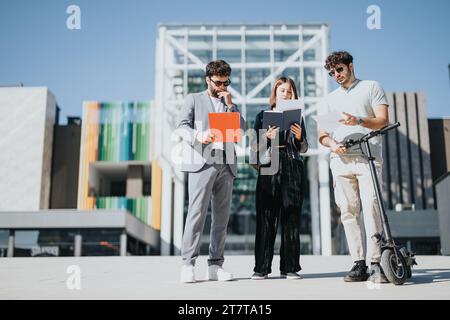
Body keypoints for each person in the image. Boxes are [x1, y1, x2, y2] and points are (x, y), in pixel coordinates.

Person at [318, 51, 390, 283]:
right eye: (332, 73)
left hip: (367, 157)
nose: (336, 75)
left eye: (339, 69)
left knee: (370, 206)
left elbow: (382, 120)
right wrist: (332, 144)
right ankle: (359, 262)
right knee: (348, 211)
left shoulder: (371, 87)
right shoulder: (329, 99)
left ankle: (376, 261)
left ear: (351, 66)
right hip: (340, 160)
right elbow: (322, 135)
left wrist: (358, 120)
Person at [177, 59, 245, 283]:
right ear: (208, 79)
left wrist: (231, 105)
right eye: (218, 83)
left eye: (226, 82)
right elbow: (182, 126)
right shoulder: (194, 99)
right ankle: (188, 264)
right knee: (196, 214)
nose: (222, 87)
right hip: (201, 162)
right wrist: (199, 136)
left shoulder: (229, 102)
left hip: (226, 162)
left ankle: (215, 265)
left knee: (221, 218)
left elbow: (241, 129)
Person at [251, 76, 308, 280]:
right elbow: (253, 149)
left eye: (289, 91)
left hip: (292, 165)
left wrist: (300, 136)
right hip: (269, 164)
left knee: (291, 216)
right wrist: (265, 138)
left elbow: (304, 148)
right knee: (266, 217)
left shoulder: (297, 117)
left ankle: (290, 267)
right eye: (282, 90)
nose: (286, 94)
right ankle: (261, 268)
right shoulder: (261, 116)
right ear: (275, 93)